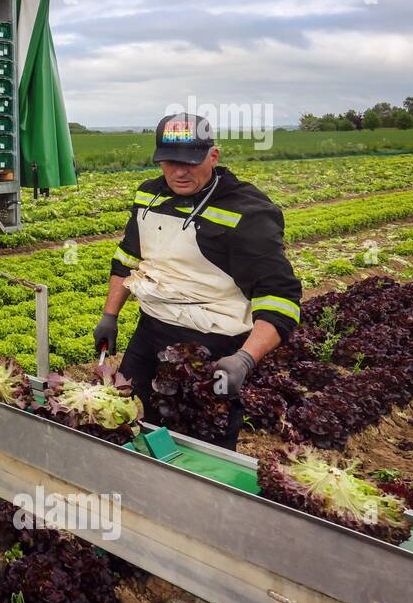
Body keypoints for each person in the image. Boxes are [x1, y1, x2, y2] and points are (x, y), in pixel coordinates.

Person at [94, 112, 302, 450]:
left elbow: (280, 299)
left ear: (213, 155)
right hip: (150, 332)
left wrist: (245, 358)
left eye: (190, 162)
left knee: (205, 445)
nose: (179, 172)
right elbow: (126, 258)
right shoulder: (148, 197)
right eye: (169, 161)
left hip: (213, 347)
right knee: (126, 421)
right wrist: (110, 316)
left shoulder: (246, 212)